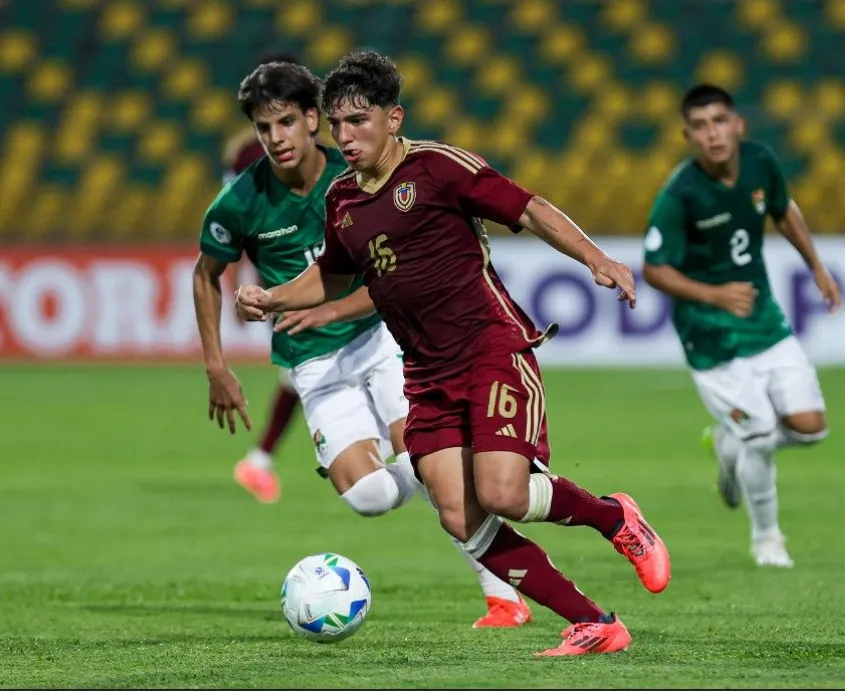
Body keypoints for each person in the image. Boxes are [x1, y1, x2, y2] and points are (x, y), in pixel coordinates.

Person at [234, 49, 671, 657]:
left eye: (358, 121)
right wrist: (274, 298)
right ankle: (595, 622)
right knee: (460, 517)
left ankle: (614, 517)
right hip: (426, 372)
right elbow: (333, 277)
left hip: (490, 348)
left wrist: (597, 259)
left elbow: (530, 207)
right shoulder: (342, 201)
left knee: (503, 494)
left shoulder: (438, 167)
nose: (345, 135)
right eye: (336, 124)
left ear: (394, 118)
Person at [192, 59, 532, 629]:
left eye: (285, 124)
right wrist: (215, 365)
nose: (275, 139)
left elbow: (393, 283)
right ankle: (442, 469)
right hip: (312, 361)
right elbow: (205, 274)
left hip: (383, 341)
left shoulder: (357, 181)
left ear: (311, 121)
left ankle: (502, 591)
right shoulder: (240, 202)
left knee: (424, 457)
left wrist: (320, 306)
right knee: (371, 497)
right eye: (262, 128)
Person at [640, 84, 842, 568]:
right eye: (701, 126)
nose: (713, 134)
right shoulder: (681, 193)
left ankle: (732, 443)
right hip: (709, 336)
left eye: (719, 121)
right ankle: (768, 540)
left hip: (763, 320)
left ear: (737, 125)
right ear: (688, 135)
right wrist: (713, 294)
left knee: (811, 429)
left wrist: (815, 264)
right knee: (760, 435)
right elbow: (653, 268)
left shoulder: (760, 162)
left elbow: (782, 209)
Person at [221, 51, 305, 505]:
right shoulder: (296, 140)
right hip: (292, 275)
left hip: (298, 271)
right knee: (305, 371)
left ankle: (259, 462)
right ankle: (259, 462)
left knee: (303, 373)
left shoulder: (240, 150)